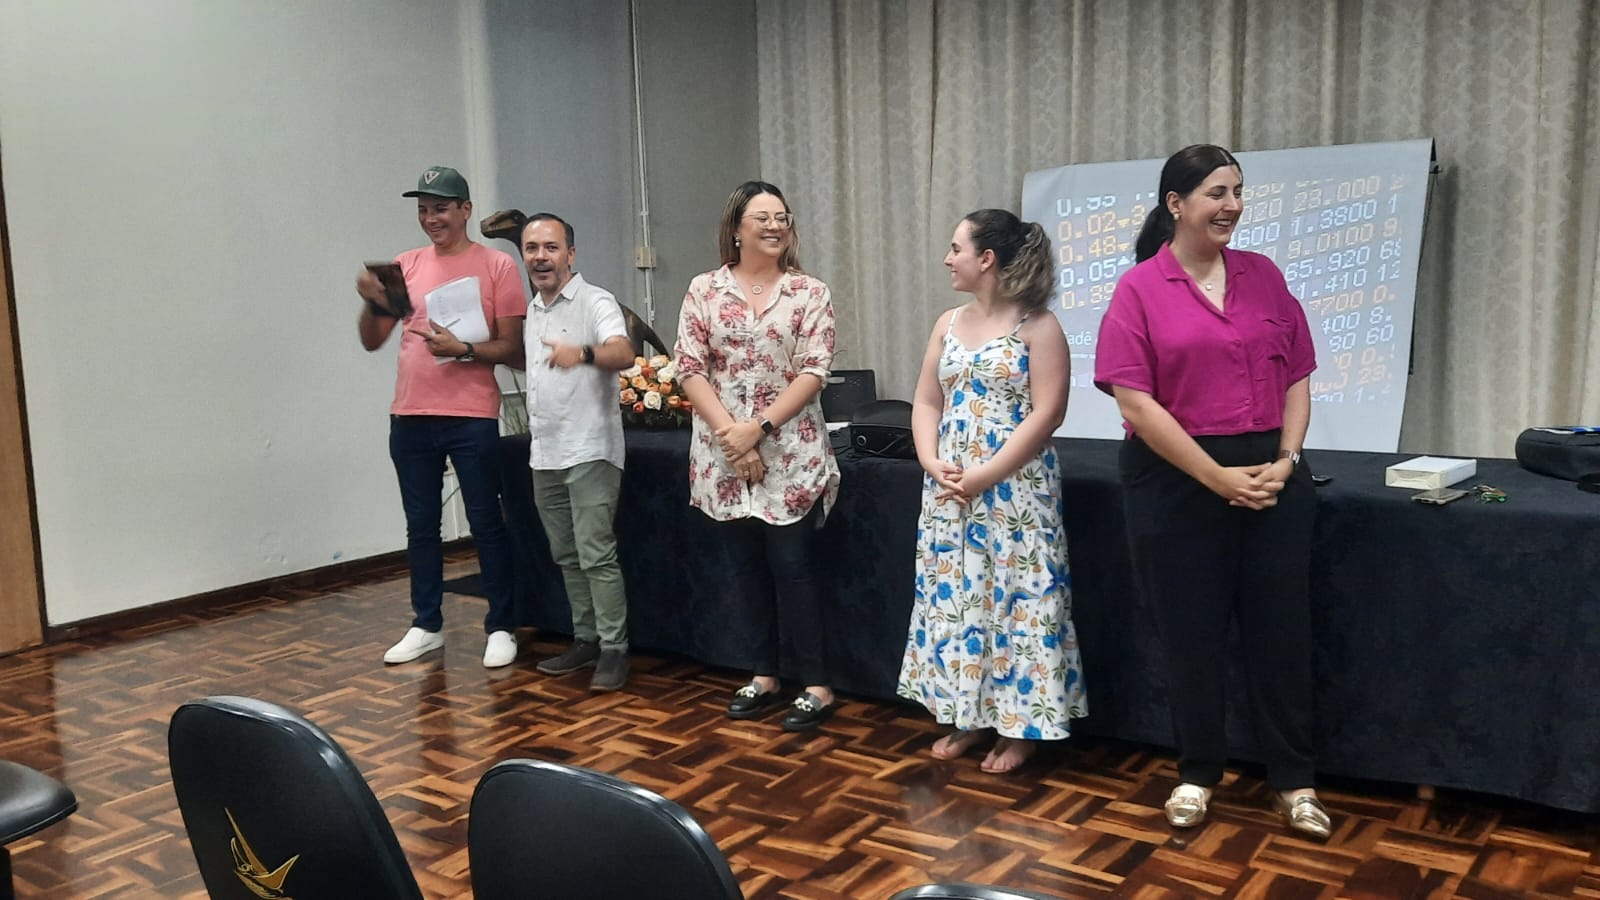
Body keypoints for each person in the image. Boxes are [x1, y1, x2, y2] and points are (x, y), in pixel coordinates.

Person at [1095, 144, 1329, 839]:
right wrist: (1214, 476)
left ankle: (1295, 782)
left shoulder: (1265, 276)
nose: (1232, 206)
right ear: (1176, 204)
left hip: (1271, 478)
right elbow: (1134, 403)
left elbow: (1297, 376)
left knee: (1281, 635)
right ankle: (1197, 772)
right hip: (1176, 484)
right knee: (1190, 637)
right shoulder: (1140, 288)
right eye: (1216, 193)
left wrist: (1287, 460)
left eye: (1237, 191)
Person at [896, 209, 1090, 774]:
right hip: (950, 492)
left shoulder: (1039, 326)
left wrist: (984, 475)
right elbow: (926, 400)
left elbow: (1048, 414)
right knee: (961, 600)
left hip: (1016, 494)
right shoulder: (947, 322)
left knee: (1017, 602)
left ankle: (1020, 728)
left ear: (987, 259)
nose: (947, 258)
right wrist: (931, 460)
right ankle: (969, 714)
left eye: (956, 248)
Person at [673, 181, 842, 732]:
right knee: (745, 570)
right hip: (724, 454)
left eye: (782, 217)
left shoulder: (809, 292)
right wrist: (733, 437)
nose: (774, 226)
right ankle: (764, 675)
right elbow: (690, 368)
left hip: (791, 453)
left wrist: (759, 429)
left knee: (794, 569)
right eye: (762, 217)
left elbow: (814, 371)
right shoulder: (704, 289)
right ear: (736, 228)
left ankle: (816, 685)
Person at [355, 166, 527, 668]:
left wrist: (464, 349)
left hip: (470, 414)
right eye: (424, 210)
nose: (432, 219)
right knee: (421, 526)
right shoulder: (404, 265)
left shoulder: (496, 265)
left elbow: (514, 349)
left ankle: (501, 625)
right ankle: (426, 623)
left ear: (466, 210)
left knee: (485, 522)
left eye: (442, 209)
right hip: (410, 413)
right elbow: (372, 340)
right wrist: (372, 303)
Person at [517, 213, 636, 691]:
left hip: (589, 449)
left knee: (595, 555)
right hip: (545, 452)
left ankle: (614, 649)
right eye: (531, 248)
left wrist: (582, 353)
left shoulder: (595, 300)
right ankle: (585, 639)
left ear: (570, 253)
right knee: (567, 555)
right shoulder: (533, 310)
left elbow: (624, 352)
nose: (540, 257)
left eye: (550, 247)